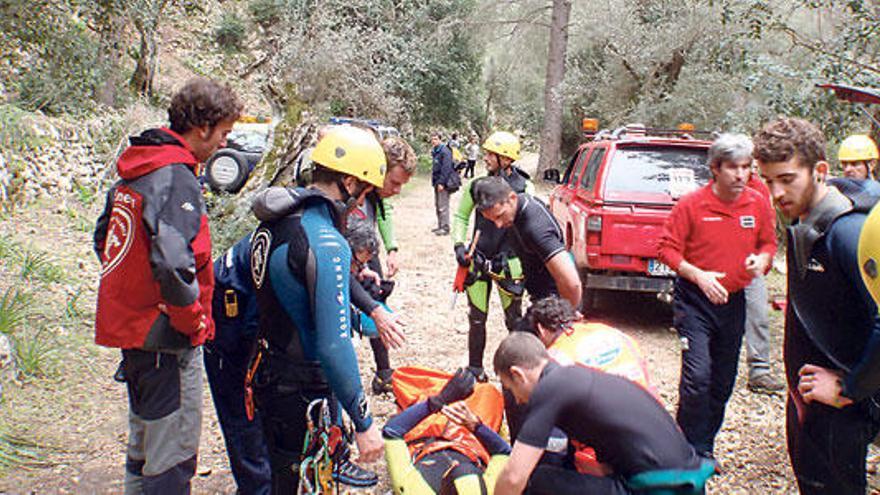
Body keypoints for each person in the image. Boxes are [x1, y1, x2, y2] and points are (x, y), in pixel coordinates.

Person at [93, 77, 241, 493]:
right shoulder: (174, 176)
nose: (223, 144)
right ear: (203, 126)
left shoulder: (137, 167)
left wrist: (137, 290)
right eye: (224, 133)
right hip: (165, 341)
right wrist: (192, 321)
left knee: (144, 444)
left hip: (134, 336)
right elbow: (175, 266)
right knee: (171, 455)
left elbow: (105, 238)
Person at [248, 125, 386, 493]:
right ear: (348, 181)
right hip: (299, 388)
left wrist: (369, 317)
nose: (363, 200)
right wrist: (364, 422)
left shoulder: (276, 220)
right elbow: (334, 344)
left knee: (280, 476)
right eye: (366, 188)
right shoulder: (325, 241)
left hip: (268, 371)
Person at [754, 117, 880, 494]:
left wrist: (852, 388)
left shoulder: (847, 231)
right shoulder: (807, 220)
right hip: (810, 401)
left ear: (820, 171)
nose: (776, 192)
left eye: (787, 179)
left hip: (841, 406)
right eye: (768, 180)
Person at [657, 133, 777, 458]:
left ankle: (704, 447)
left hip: (733, 302)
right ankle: (686, 449)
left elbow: (769, 244)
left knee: (722, 382)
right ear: (715, 169)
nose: (741, 175)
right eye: (733, 168)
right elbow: (666, 249)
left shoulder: (758, 203)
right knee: (698, 377)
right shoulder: (692, 205)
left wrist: (761, 261)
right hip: (694, 301)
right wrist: (698, 275)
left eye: (746, 168)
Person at [492, 333, 714, 495]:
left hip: (659, 486)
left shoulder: (549, 388)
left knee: (538, 480)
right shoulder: (579, 376)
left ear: (517, 374)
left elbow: (514, 476)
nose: (518, 400)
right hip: (689, 477)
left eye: (511, 390)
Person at [452, 131, 533, 380]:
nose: (485, 158)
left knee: (514, 321)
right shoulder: (476, 186)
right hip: (478, 260)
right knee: (476, 319)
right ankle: (475, 369)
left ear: (506, 159)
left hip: (510, 263)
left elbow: (530, 225)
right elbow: (462, 216)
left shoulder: (524, 188)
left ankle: (516, 371)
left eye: (490, 154)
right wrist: (459, 246)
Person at [383, 367, 511, 494]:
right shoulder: (490, 490)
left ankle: (446, 388)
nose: (454, 464)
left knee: (403, 377)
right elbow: (503, 451)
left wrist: (438, 401)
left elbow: (392, 431)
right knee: (488, 391)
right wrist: (476, 426)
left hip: (424, 436)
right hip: (469, 440)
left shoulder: (416, 490)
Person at [356, 136, 417, 394]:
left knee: (378, 300)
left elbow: (384, 212)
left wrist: (391, 248)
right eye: (394, 182)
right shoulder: (356, 193)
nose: (396, 190)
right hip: (351, 258)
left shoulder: (374, 195)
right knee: (372, 308)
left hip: (365, 255)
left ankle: (384, 373)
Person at [471, 176, 581, 308]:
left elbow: (571, 282)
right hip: (540, 295)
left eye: (500, 216)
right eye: (493, 220)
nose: (498, 225)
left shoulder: (536, 227)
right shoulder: (518, 208)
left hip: (554, 301)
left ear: (512, 198)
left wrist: (569, 315)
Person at [743, 166, 785, 394]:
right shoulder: (715, 189)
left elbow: (768, 231)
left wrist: (764, 262)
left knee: (758, 316)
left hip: (751, 266)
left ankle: (759, 371)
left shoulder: (759, 190)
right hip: (719, 266)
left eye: (747, 165)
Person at [432, 133, 460, 236]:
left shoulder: (445, 151)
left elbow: (446, 168)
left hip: (443, 182)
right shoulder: (436, 151)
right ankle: (440, 226)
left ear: (440, 140)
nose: (433, 141)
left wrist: (441, 183)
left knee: (443, 205)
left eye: (435, 139)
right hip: (436, 181)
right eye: (432, 139)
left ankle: (445, 227)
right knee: (438, 204)